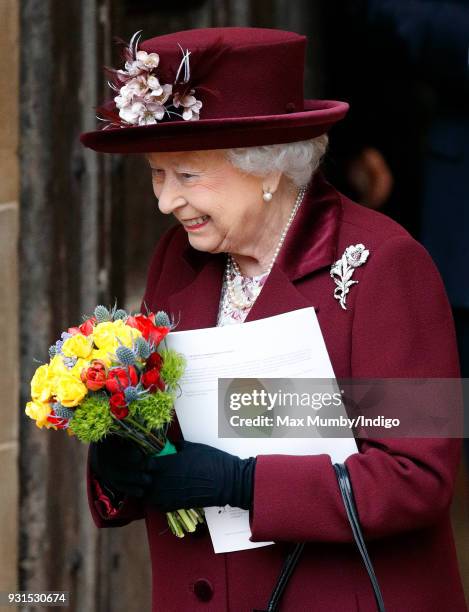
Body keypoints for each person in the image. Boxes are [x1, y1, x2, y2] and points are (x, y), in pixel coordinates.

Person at [80, 27, 467, 611]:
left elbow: (417, 477)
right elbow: (172, 434)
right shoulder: (177, 259)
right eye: (157, 173)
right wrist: (121, 462)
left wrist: (245, 484)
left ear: (267, 170)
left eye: (187, 175)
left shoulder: (383, 266)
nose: (165, 201)